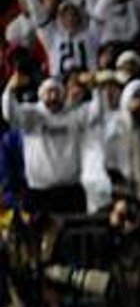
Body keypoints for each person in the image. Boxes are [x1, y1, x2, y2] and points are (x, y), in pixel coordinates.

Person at [3, 75, 105, 215]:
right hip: (39, 192)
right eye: (48, 92)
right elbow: (10, 114)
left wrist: (95, 89)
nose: (53, 96)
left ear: (63, 94)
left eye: (56, 92)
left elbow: (97, 112)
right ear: (41, 95)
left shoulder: (74, 113)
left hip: (71, 191)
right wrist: (10, 90)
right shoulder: (32, 115)